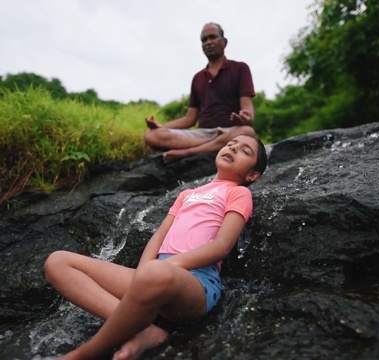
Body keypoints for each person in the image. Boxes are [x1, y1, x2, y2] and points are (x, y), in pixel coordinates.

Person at [44, 134, 268, 360]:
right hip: (154, 276)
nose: (233, 148)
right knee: (57, 261)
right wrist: (143, 273)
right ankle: (144, 330)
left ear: (252, 174)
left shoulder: (239, 193)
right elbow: (159, 236)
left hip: (196, 282)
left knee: (156, 272)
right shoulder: (187, 194)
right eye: (231, 144)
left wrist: (163, 267)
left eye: (245, 151)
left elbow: (221, 247)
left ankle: (84, 354)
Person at [144, 22, 257, 163]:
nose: (208, 42)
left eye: (213, 37)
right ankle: (213, 143)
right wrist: (161, 127)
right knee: (151, 135)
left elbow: (247, 107)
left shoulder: (240, 68)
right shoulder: (198, 78)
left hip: (230, 131)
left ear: (224, 42)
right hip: (202, 134)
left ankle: (189, 152)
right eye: (204, 39)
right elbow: (190, 119)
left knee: (247, 132)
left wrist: (247, 118)